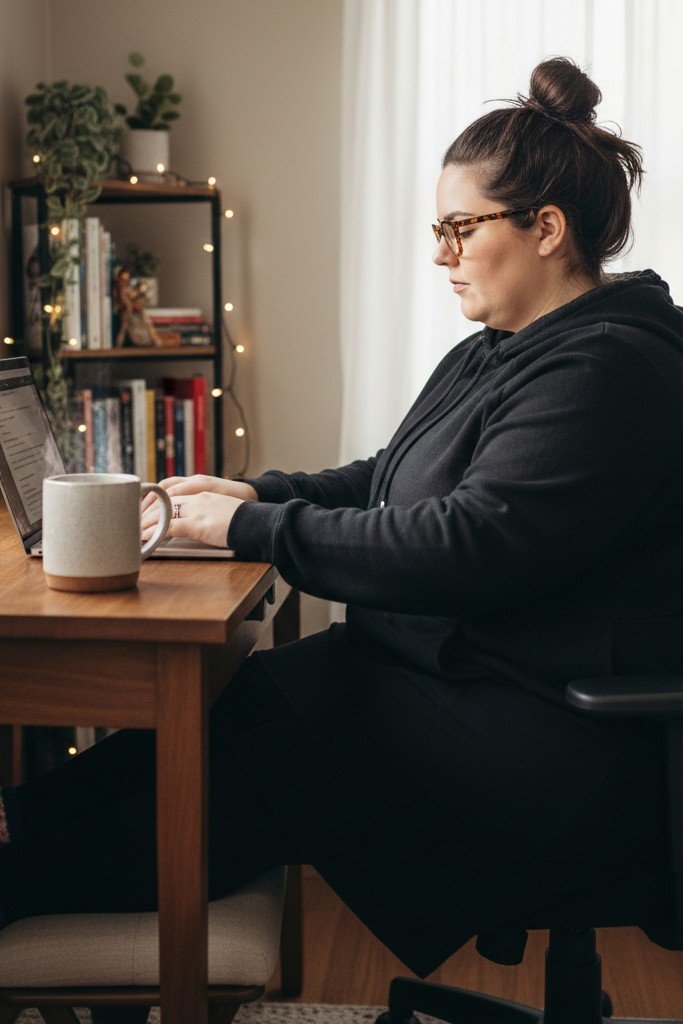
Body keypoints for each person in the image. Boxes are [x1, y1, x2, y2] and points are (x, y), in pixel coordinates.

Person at [1, 56, 682, 977]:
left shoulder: (605, 371)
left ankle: (18, 882)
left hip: (559, 739)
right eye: (438, 230)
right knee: (253, 697)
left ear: (546, 229)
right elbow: (390, 477)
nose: (440, 253)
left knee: (276, 757)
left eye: (459, 228)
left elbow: (465, 545)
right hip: (472, 684)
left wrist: (245, 531)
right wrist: (256, 494)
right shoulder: (502, 348)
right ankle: (20, 829)